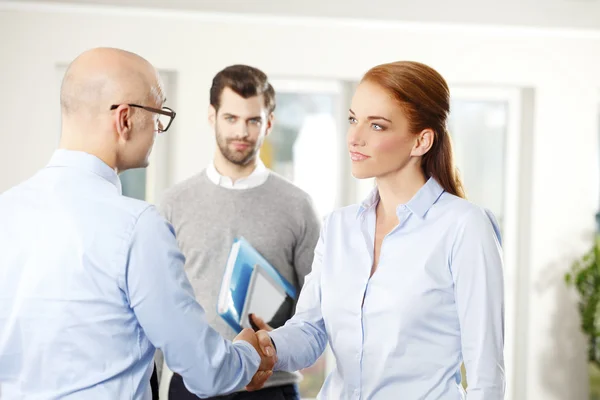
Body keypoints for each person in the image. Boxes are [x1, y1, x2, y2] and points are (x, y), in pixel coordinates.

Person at [0, 48, 274, 400]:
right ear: (125, 119)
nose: (159, 128)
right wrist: (248, 351)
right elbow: (206, 372)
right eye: (158, 113)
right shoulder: (137, 227)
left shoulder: (6, 210)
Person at [253, 61, 506, 399]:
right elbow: (310, 331)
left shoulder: (465, 227)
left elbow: (486, 378)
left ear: (421, 141)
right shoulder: (338, 227)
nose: (355, 138)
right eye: (353, 119)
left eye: (377, 126)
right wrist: (265, 346)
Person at [157, 65, 321, 400]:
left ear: (269, 123)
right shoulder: (173, 203)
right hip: (193, 385)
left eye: (253, 120)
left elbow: (316, 309)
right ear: (211, 116)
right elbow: (160, 304)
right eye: (230, 118)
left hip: (272, 386)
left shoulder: (298, 206)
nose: (241, 131)